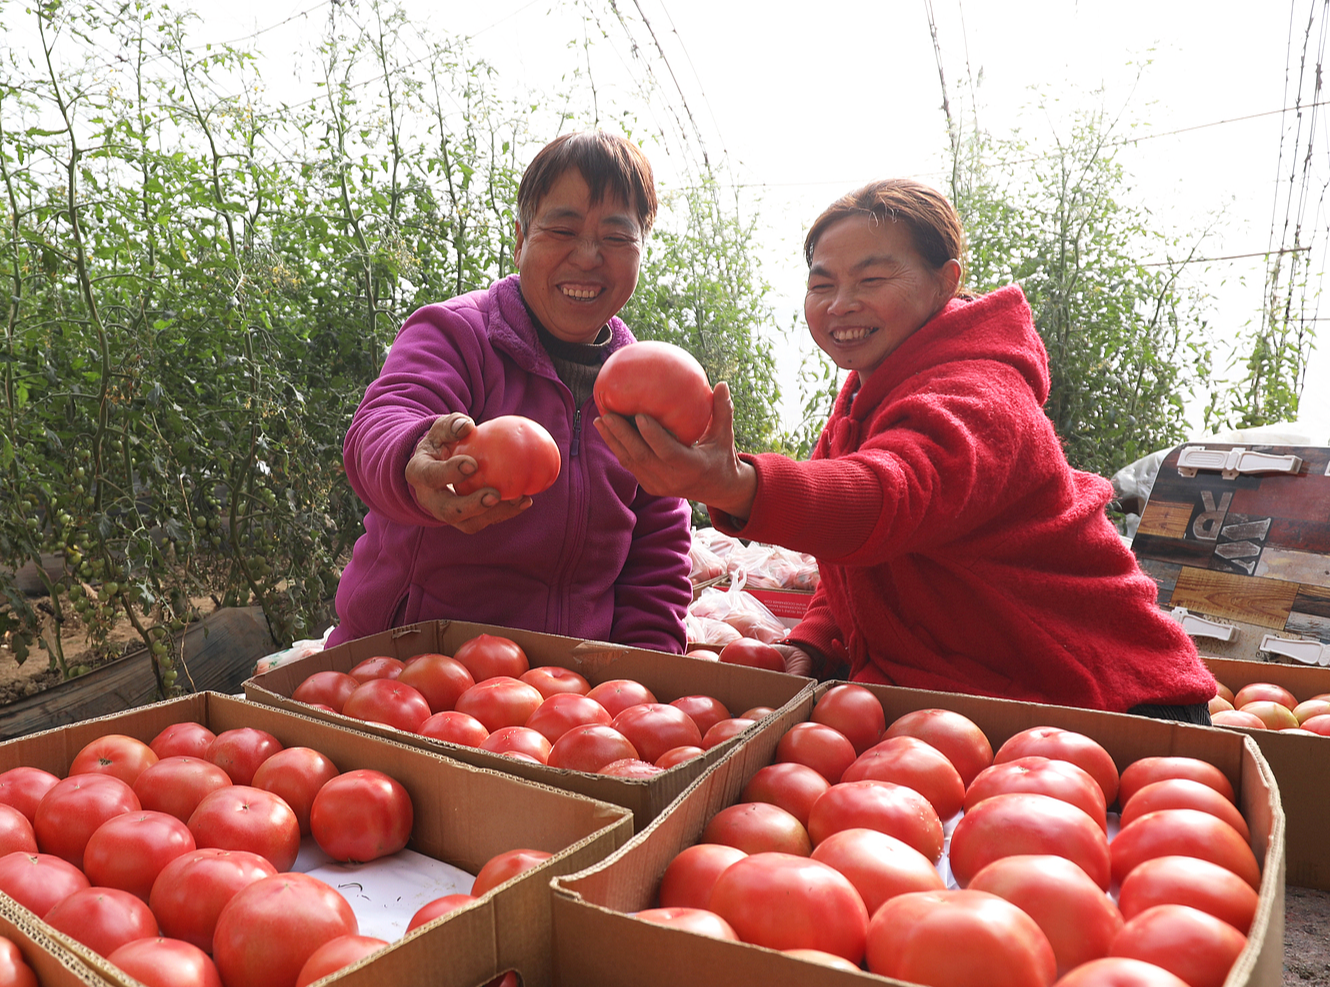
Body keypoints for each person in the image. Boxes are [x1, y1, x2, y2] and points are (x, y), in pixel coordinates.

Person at [598, 178, 1217, 719]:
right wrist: (815, 641)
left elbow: (888, 496)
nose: (841, 304)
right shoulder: (864, 401)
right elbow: (860, 558)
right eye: (822, 283)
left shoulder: (983, 395)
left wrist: (734, 485)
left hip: (1108, 702)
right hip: (993, 705)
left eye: (871, 279)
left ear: (946, 281)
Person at [326, 130, 692, 652]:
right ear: (520, 240)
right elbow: (385, 418)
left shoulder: (648, 390)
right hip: (407, 666)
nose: (588, 256)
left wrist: (645, 673)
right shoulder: (456, 333)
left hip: (558, 687)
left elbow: (657, 561)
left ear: (641, 251)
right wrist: (413, 459)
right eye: (562, 230)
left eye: (616, 237)